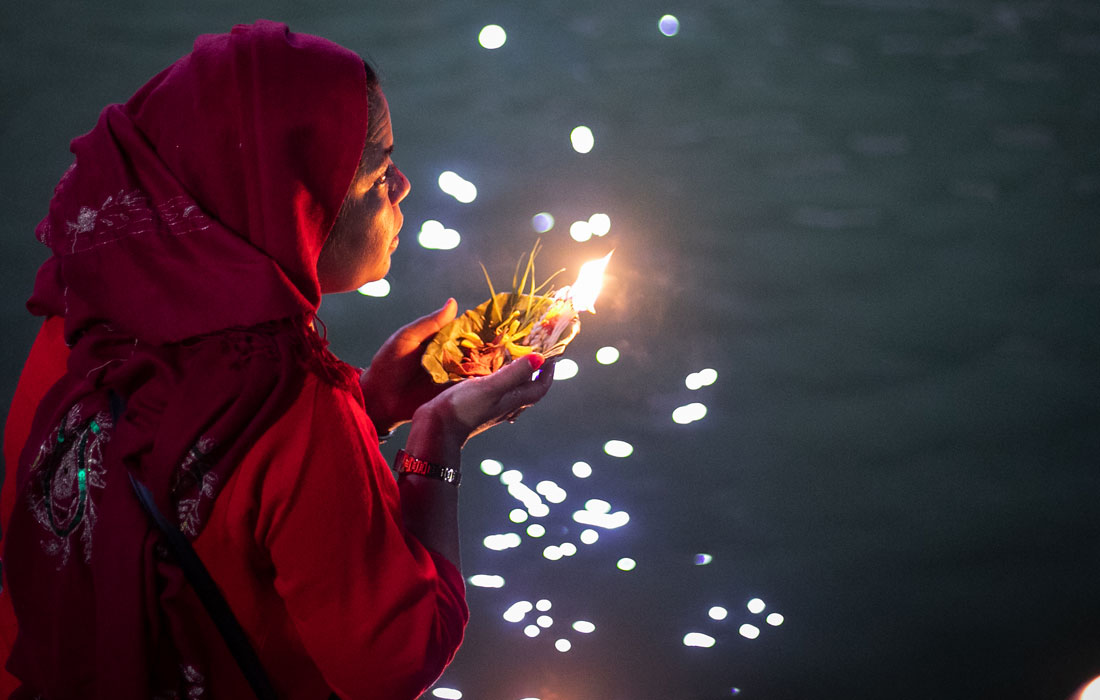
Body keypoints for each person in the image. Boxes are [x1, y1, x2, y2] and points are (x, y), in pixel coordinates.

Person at [0, 20, 554, 699]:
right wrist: (436, 440)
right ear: (298, 203)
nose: (402, 186)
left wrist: (372, 405)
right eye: (378, 172)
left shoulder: (77, 315)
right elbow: (389, 664)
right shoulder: (292, 406)